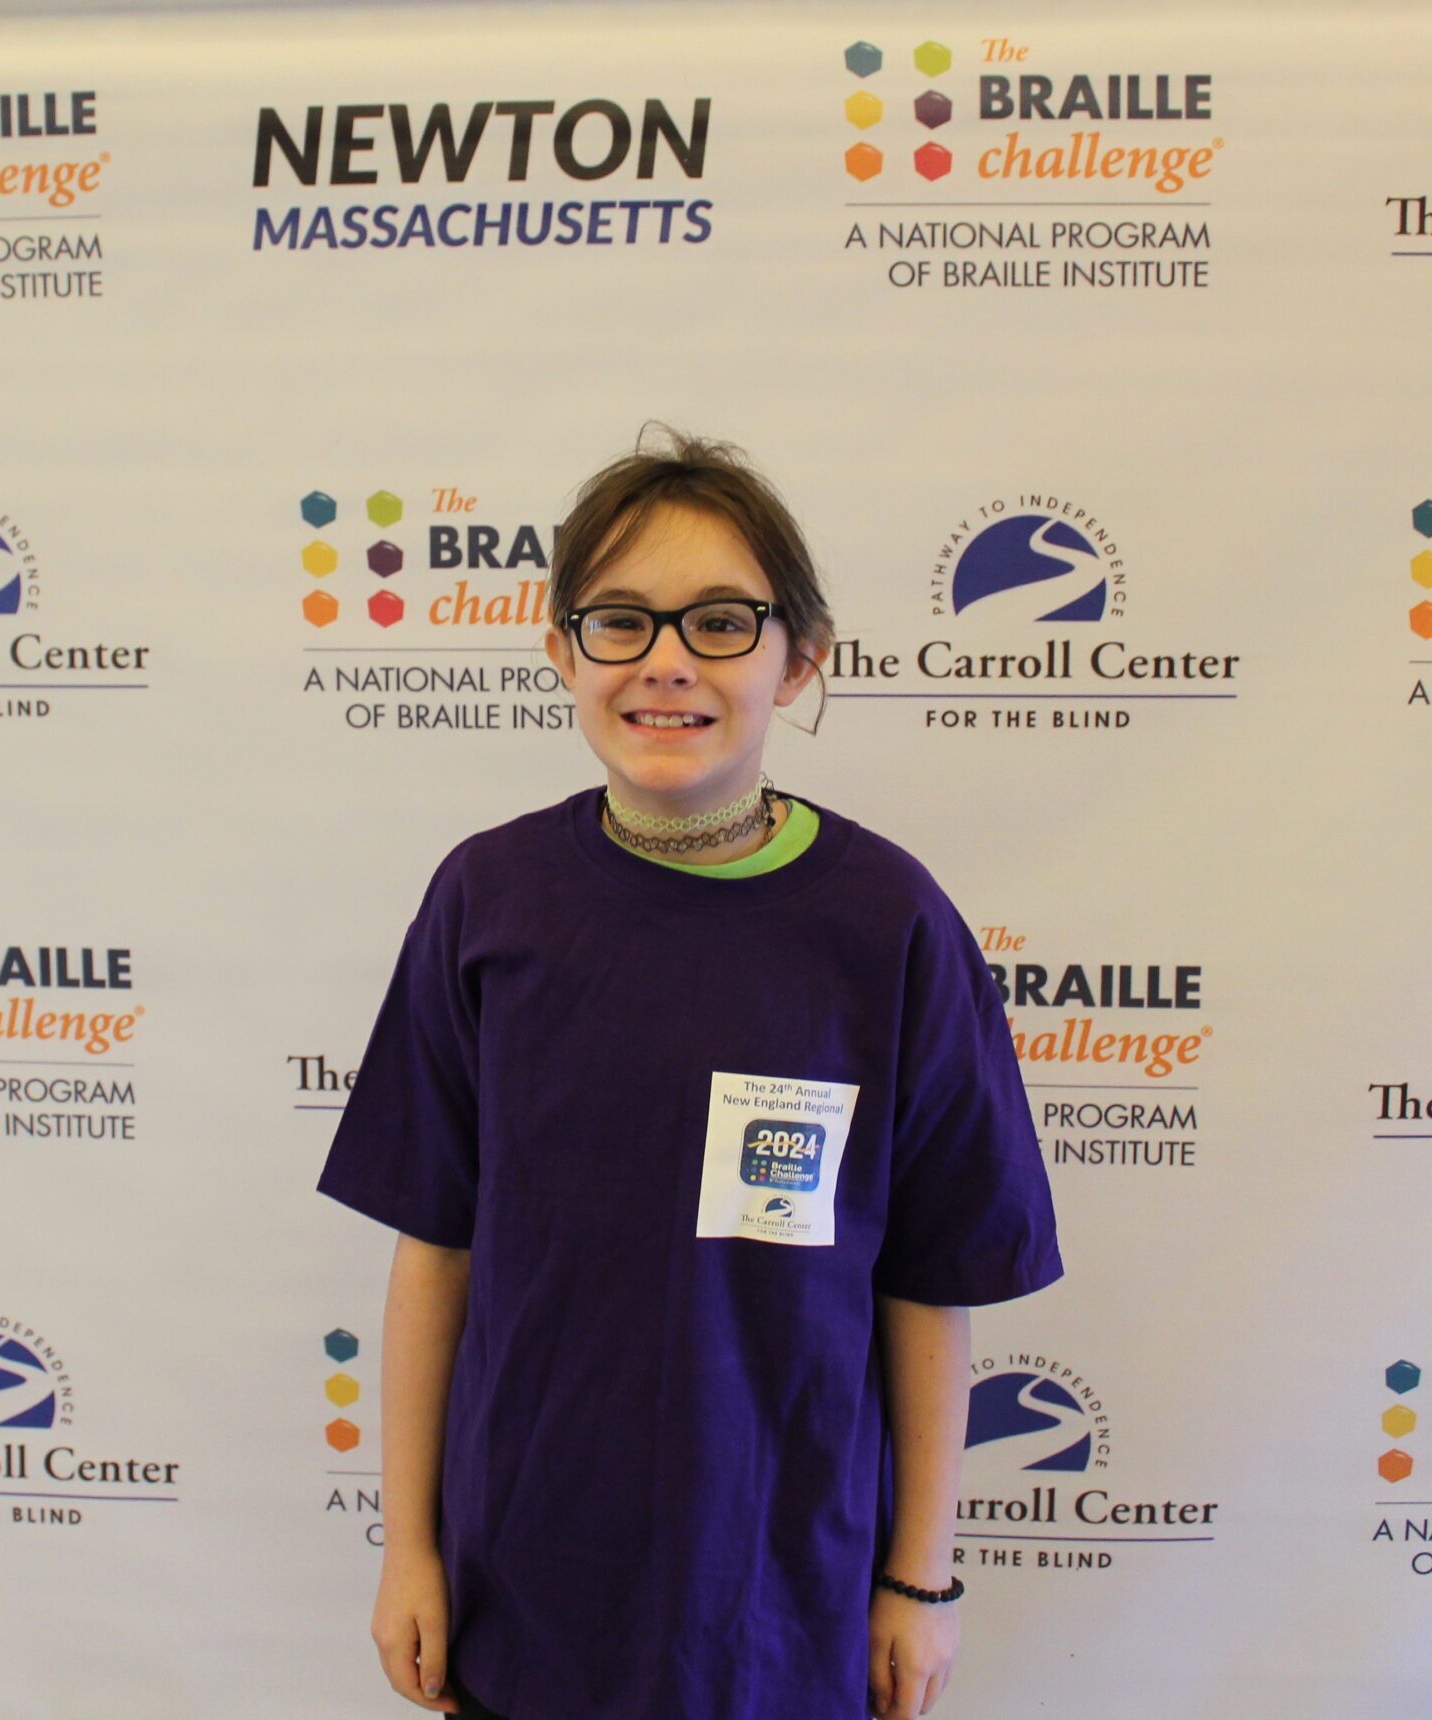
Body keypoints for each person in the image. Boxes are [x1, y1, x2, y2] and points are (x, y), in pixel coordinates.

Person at [316, 429, 1063, 1720]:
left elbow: (932, 1284)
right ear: (563, 653)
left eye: (721, 622)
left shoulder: (890, 927)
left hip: (786, 1603)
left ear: (800, 658)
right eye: (620, 621)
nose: (666, 661)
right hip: (525, 1590)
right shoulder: (488, 902)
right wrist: (409, 1549)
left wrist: (921, 1578)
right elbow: (434, 1252)